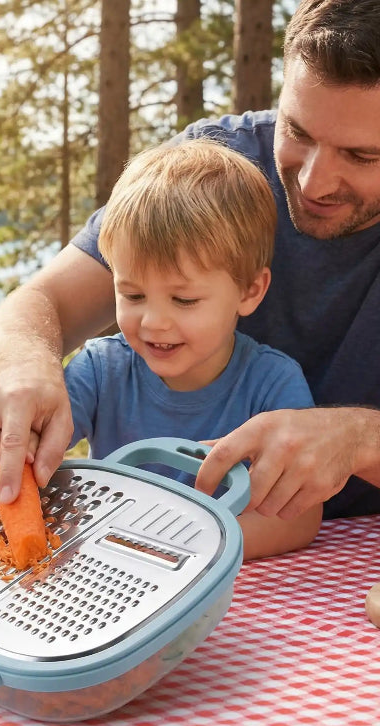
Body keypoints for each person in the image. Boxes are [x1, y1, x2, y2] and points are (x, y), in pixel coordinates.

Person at [0, 0, 380, 526]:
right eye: (297, 133)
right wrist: (26, 370)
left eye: (361, 156)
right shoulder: (215, 172)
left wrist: (365, 439)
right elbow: (35, 305)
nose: (312, 182)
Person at [63, 139, 322, 558]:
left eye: (184, 300)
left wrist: (182, 547)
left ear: (250, 290)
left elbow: (300, 518)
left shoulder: (273, 384)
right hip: (108, 575)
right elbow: (35, 458)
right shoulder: (98, 370)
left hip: (223, 587)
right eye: (132, 295)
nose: (153, 322)